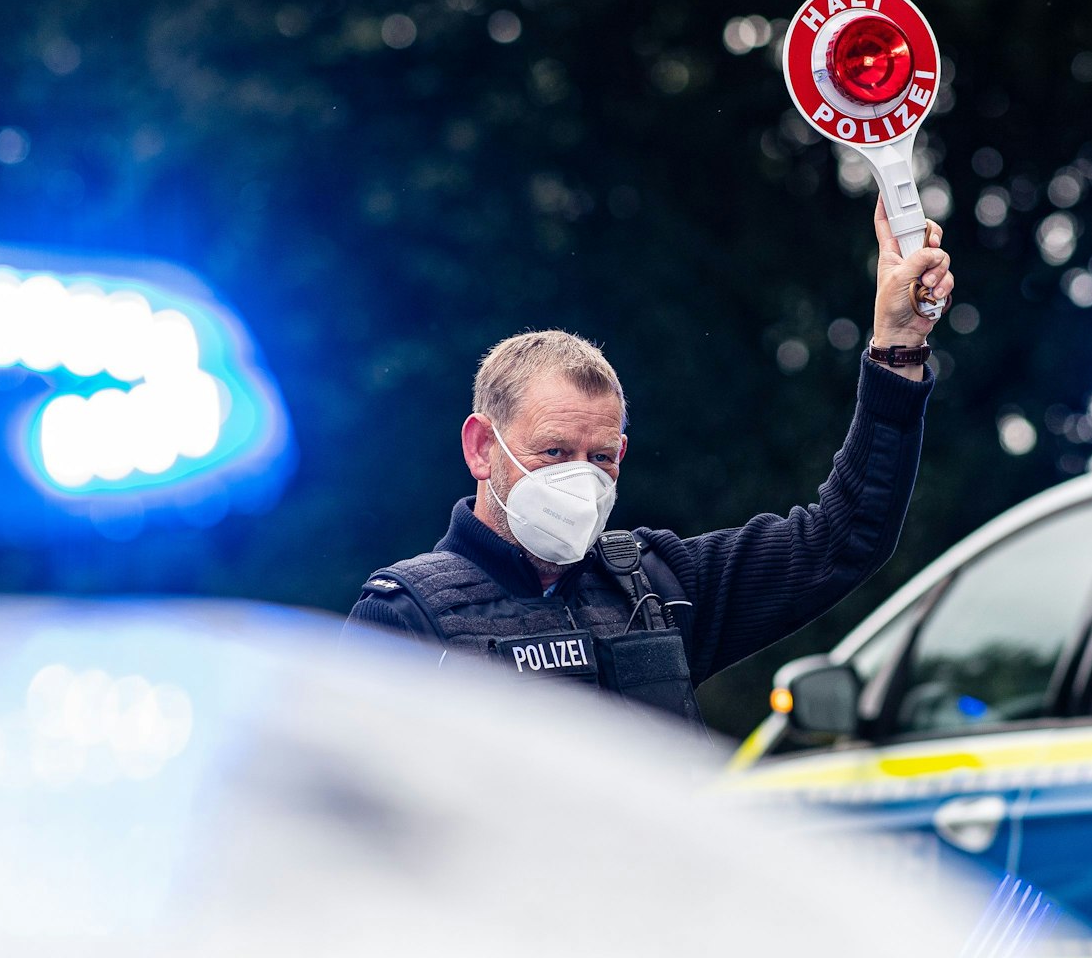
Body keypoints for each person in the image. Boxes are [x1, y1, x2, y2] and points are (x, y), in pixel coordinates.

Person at [346, 202, 953, 730]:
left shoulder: (659, 588)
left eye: (600, 456)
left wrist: (898, 344)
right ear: (481, 448)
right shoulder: (405, 618)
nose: (578, 476)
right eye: (553, 452)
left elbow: (844, 536)